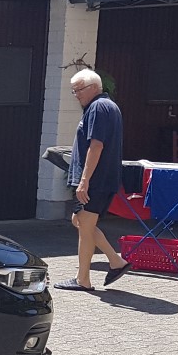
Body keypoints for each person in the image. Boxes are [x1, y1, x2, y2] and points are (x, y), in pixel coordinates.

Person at [56, 68, 129, 292]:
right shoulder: (107, 106)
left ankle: (83, 280)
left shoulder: (98, 107)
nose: (76, 94)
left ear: (94, 87)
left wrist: (84, 180)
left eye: (79, 89)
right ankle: (116, 261)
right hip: (100, 179)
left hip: (95, 180)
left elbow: (96, 146)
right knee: (80, 222)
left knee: (85, 227)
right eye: (74, 91)